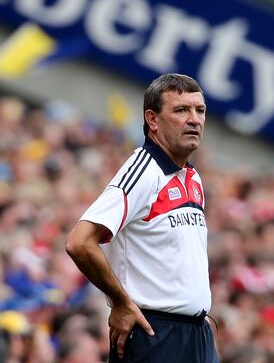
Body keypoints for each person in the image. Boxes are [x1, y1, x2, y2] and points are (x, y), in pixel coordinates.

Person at [66, 74, 217, 362]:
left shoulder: (191, 175)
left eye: (200, 110)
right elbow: (79, 242)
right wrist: (121, 302)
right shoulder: (143, 172)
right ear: (153, 120)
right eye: (181, 110)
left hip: (194, 333)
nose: (194, 119)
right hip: (154, 333)